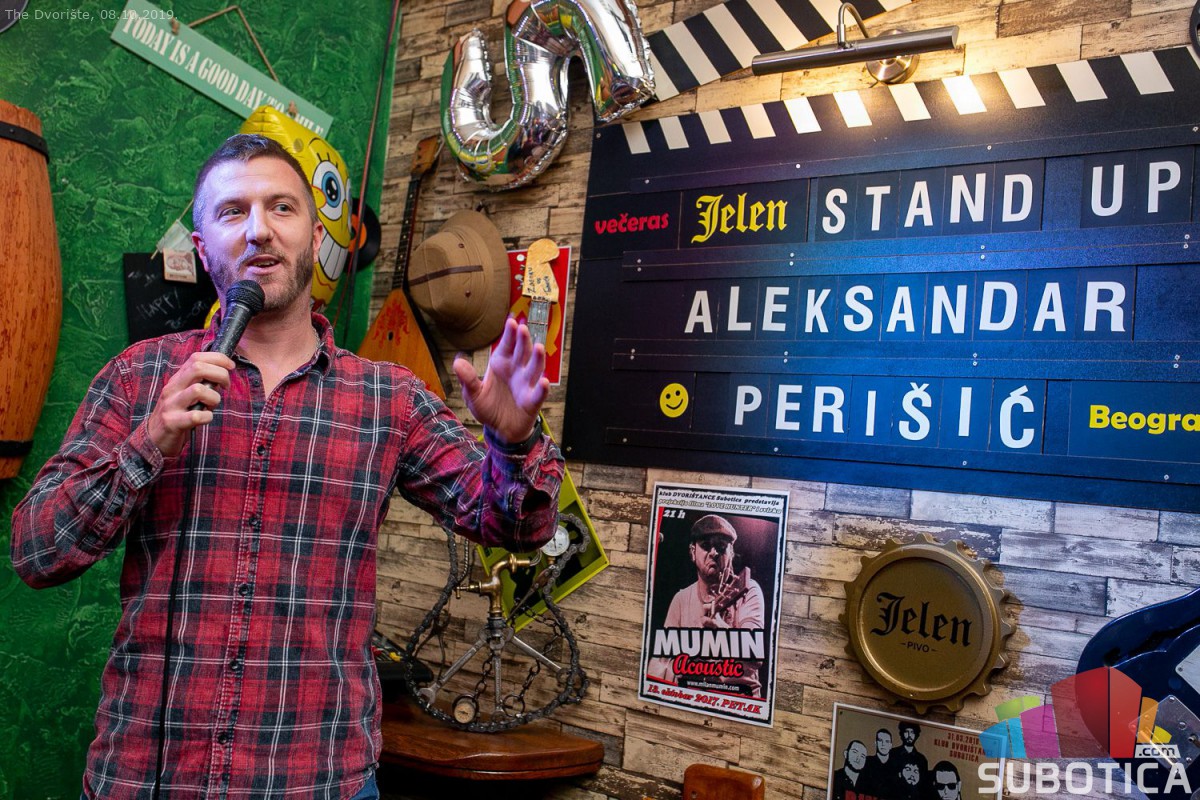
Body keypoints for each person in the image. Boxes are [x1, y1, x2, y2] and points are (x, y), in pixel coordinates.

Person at [10, 134, 563, 800]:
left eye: (281, 207)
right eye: (233, 211)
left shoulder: (389, 399)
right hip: (149, 779)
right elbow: (36, 551)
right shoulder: (141, 376)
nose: (259, 230)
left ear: (316, 236)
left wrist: (513, 441)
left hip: (317, 779)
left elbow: (518, 528)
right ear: (203, 247)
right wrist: (148, 442)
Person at [646, 514, 765, 696]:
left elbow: (755, 655)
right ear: (692, 552)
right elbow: (661, 659)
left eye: (721, 546)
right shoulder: (681, 599)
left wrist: (723, 633)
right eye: (705, 545)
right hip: (691, 694)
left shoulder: (748, 589)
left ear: (731, 553)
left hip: (738, 696)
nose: (714, 552)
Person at [861, 727, 902, 800]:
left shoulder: (896, 766)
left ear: (890, 745)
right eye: (880, 740)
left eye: (887, 741)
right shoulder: (867, 762)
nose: (883, 744)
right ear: (876, 743)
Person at [895, 720, 929, 786]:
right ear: (901, 734)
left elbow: (923, 784)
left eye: (912, 732)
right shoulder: (893, 753)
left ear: (916, 735)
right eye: (906, 732)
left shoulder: (922, 759)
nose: (909, 735)